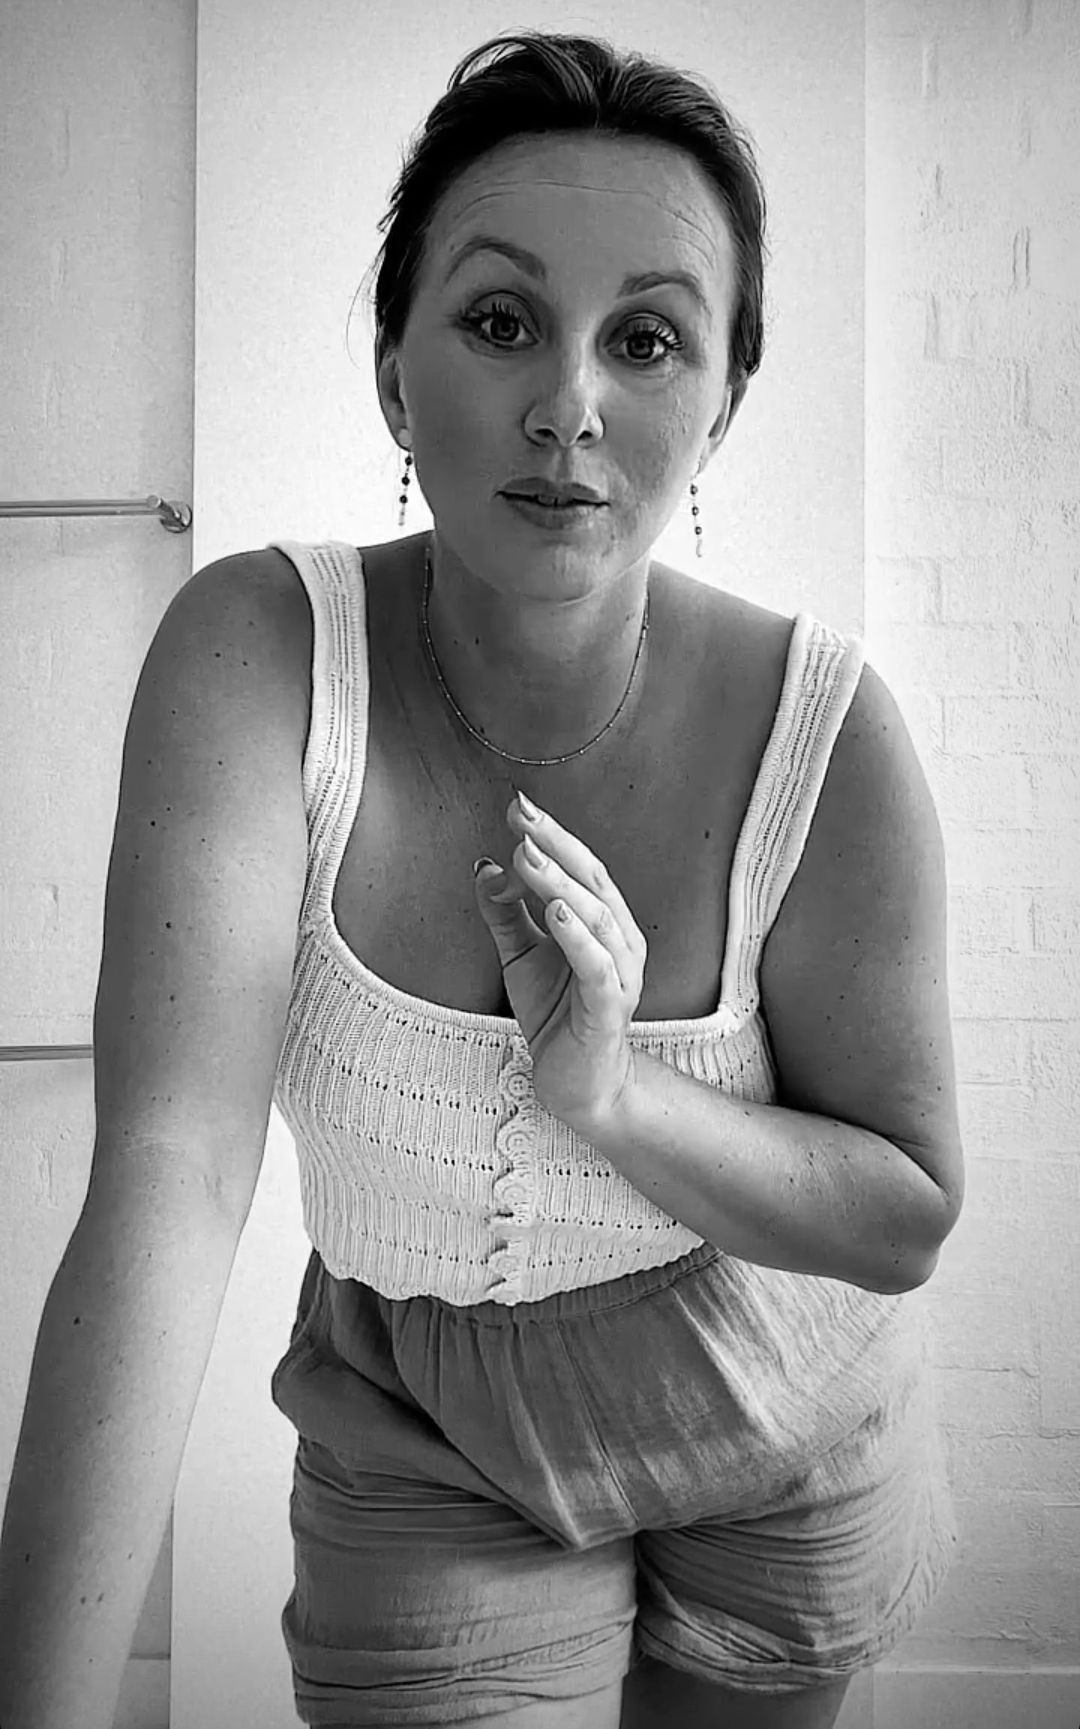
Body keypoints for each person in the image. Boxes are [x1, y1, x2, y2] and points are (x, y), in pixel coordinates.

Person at [0, 28, 965, 1729]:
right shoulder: (253, 657)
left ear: (724, 400)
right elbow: (169, 1176)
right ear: (395, 372)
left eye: (645, 339)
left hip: (779, 1406)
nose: (568, 405)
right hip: (418, 1417)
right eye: (503, 318)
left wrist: (611, 1096)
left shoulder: (831, 732)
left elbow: (904, 1211)